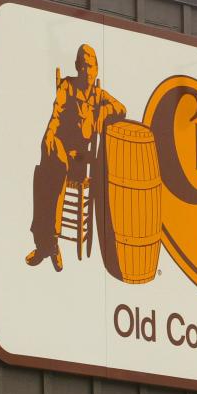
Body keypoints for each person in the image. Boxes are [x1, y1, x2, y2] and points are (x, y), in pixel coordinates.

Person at [26, 44, 126, 271]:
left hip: (80, 160)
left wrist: (103, 114)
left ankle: (47, 245)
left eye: (92, 66)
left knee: (47, 173)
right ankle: (49, 243)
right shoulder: (67, 86)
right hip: (60, 149)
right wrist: (49, 136)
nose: (88, 71)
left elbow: (121, 109)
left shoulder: (99, 95)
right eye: (84, 66)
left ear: (97, 69)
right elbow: (56, 113)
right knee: (46, 171)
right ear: (78, 67)